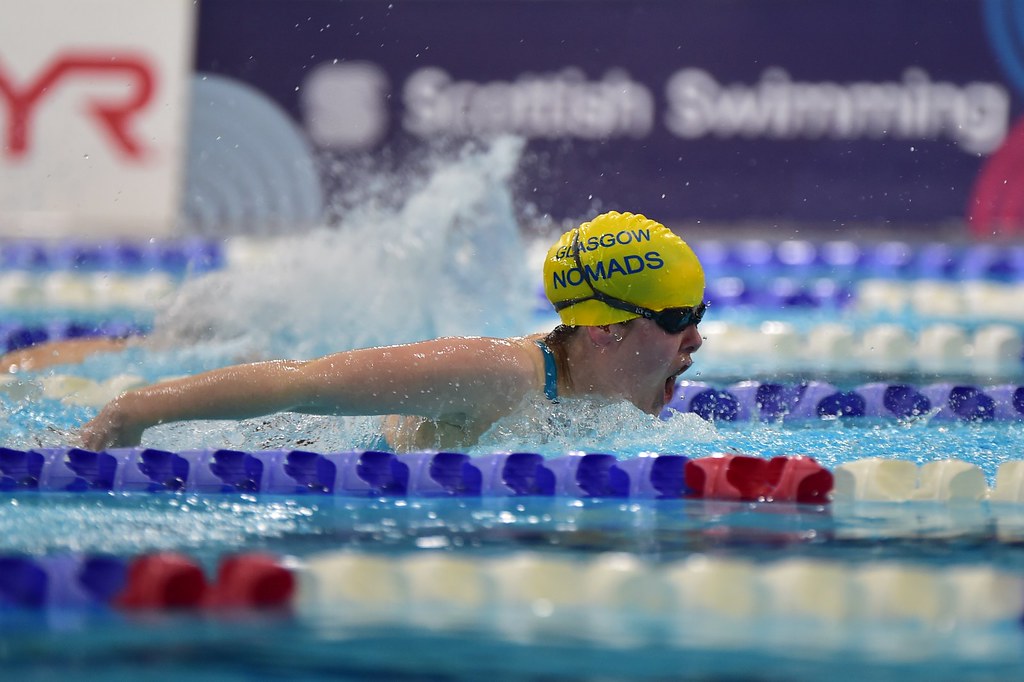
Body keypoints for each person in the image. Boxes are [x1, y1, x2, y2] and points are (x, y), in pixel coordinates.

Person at [7, 210, 707, 452]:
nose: (695, 343)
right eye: (678, 321)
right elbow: (300, 384)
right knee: (165, 358)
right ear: (608, 330)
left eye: (698, 320)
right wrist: (130, 412)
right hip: (287, 441)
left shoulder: (602, 398)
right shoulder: (498, 374)